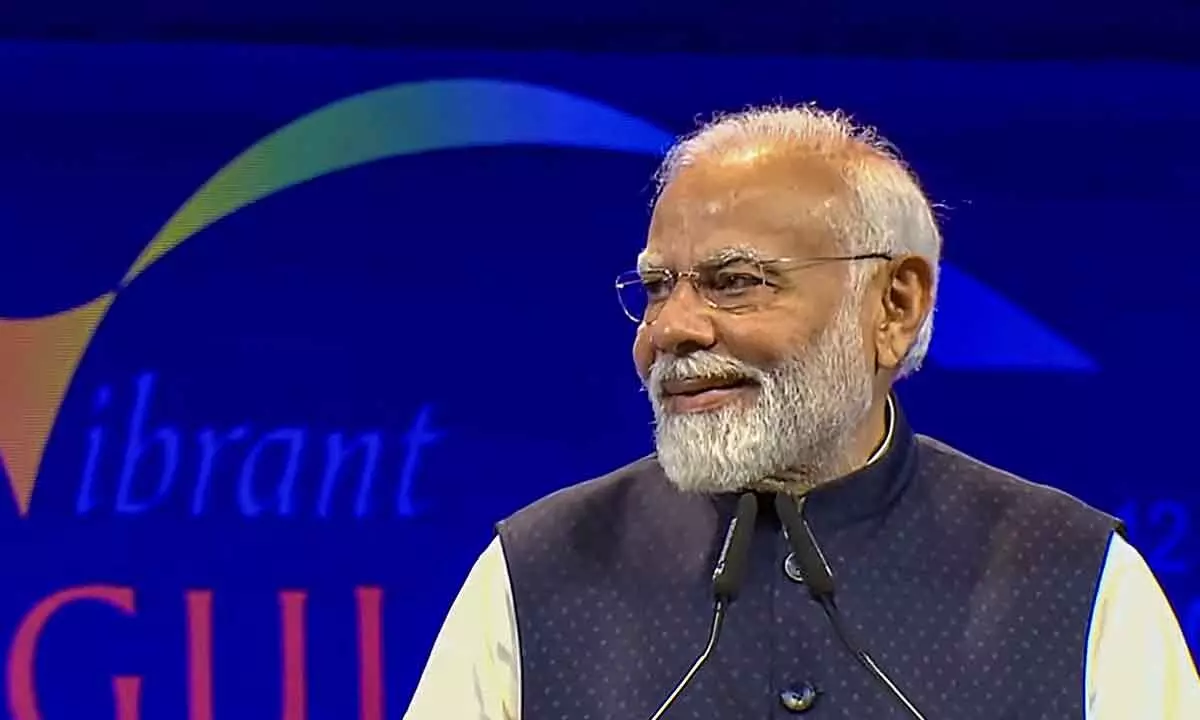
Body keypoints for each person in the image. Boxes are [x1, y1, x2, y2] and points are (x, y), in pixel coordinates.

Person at [403, 105, 1200, 719]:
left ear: (895, 305)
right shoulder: (536, 573)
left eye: (735, 281)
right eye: (655, 287)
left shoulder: (1077, 581)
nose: (670, 330)